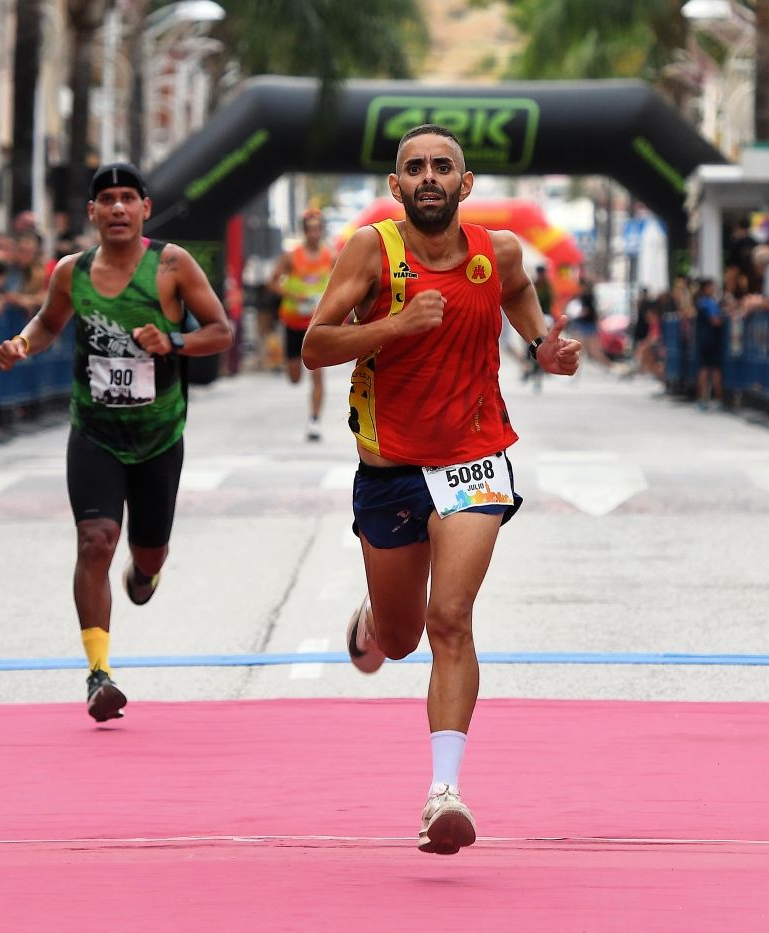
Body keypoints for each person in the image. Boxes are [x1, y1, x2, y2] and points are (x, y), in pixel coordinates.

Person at [299, 125, 581, 856]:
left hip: (473, 455)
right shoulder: (372, 250)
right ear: (396, 187)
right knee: (399, 639)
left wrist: (542, 342)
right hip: (390, 465)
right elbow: (315, 346)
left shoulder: (500, 254)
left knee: (449, 617)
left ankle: (443, 792)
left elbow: (520, 294)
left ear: (465, 183)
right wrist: (396, 323)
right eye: (415, 167)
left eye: (442, 166)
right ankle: (372, 619)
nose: (429, 176)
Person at [0, 162, 232, 723]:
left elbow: (220, 331)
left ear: (145, 209)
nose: (119, 208)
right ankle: (99, 673)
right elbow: (48, 323)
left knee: (147, 553)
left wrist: (170, 339)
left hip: (158, 434)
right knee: (95, 540)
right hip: (95, 430)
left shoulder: (171, 265)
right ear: (93, 213)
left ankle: (146, 569)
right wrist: (22, 344)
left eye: (129, 198)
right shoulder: (70, 272)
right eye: (108, 200)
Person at [269, 208, 335, 440]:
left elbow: (341, 283)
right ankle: (295, 370)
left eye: (318, 229)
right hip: (293, 322)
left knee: (317, 373)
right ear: (304, 231)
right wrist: (291, 295)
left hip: (317, 324)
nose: (315, 234)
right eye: (311, 230)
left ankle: (314, 421)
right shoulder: (291, 257)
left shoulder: (330, 256)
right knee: (295, 377)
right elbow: (273, 283)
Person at [693, 278, 724, 410]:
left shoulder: (700, 303)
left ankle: (702, 399)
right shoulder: (710, 303)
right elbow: (715, 321)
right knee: (714, 369)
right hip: (711, 340)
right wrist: (724, 320)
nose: (713, 290)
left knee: (703, 369)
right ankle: (718, 400)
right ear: (706, 288)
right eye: (712, 287)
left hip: (702, 340)